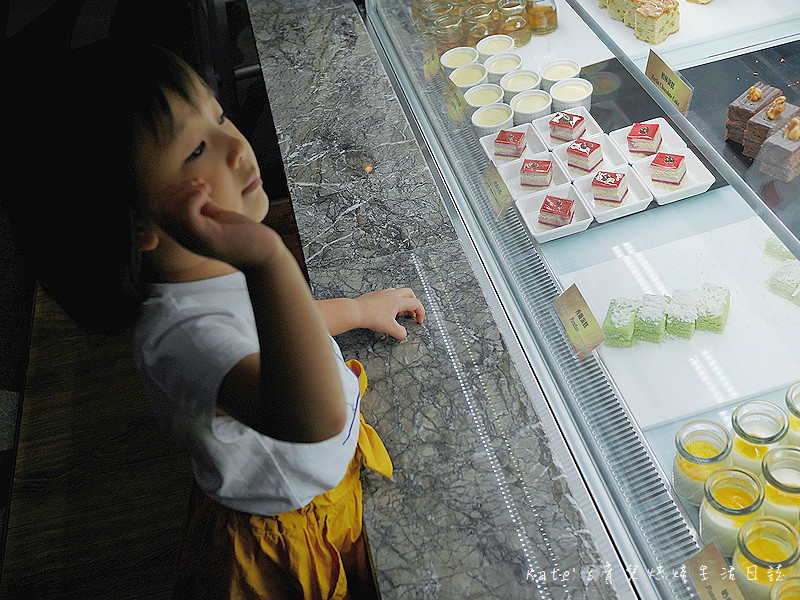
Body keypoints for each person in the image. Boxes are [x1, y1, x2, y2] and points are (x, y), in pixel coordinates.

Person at [8, 41, 424, 599]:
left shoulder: (206, 267)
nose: (236, 146)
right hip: (289, 533)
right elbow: (312, 415)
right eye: (197, 148)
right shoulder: (184, 338)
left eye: (220, 113)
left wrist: (354, 310)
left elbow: (275, 332)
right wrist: (270, 258)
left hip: (317, 483)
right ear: (136, 229)